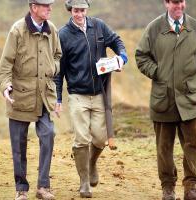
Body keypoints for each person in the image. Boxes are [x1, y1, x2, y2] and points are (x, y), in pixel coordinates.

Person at [135, 0, 196, 199]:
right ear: (166, 3)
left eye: (181, 1)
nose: (178, 5)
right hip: (164, 99)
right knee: (164, 148)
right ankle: (168, 188)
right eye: (174, 2)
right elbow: (141, 56)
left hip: (190, 99)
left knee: (192, 145)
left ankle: (191, 188)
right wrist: (157, 72)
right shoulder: (154, 28)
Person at [54, 0, 128, 198]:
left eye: (83, 10)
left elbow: (117, 41)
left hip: (100, 94)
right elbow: (59, 72)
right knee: (81, 139)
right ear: (71, 10)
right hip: (77, 94)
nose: (79, 14)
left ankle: (92, 163)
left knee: (100, 138)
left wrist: (122, 57)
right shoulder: (63, 34)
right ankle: (84, 181)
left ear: (87, 10)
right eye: (76, 10)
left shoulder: (99, 26)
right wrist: (59, 98)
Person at [0, 0, 61, 199]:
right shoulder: (17, 30)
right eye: (45, 5)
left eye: (50, 5)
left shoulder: (52, 29)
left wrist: (53, 67)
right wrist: (5, 86)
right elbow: (6, 64)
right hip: (20, 97)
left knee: (48, 134)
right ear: (34, 7)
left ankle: (43, 187)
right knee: (18, 144)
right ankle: (21, 189)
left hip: (44, 95)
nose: (50, 8)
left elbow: (58, 55)